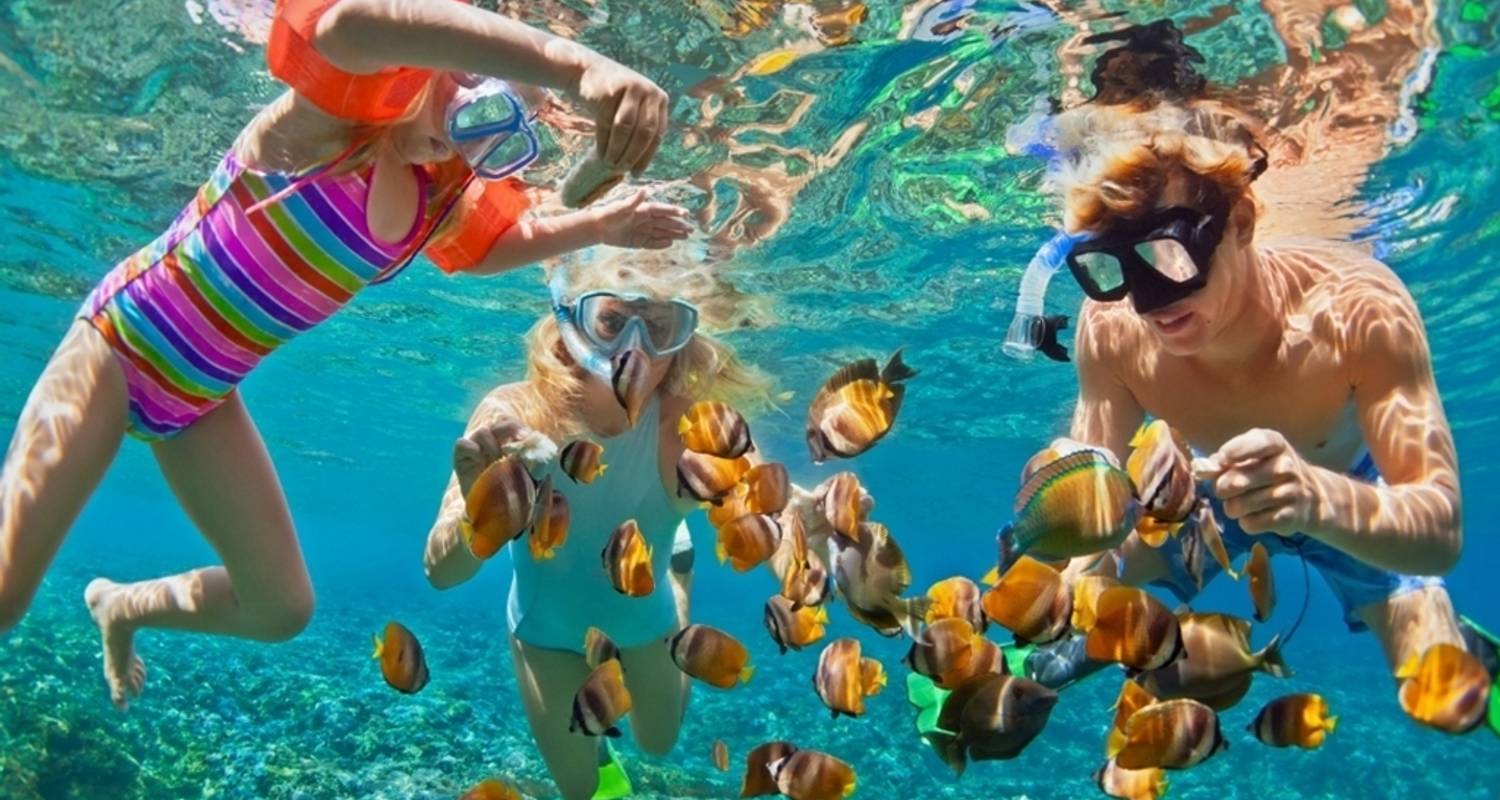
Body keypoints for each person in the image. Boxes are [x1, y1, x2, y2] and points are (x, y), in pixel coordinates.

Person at [0, 0, 693, 710]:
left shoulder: (434, 198)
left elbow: (492, 250)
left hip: (202, 399)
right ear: (435, 65)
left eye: (493, 143)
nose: (462, 147)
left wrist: (599, 223)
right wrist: (579, 65)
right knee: (6, 593)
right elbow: (348, 26)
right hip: (121, 344)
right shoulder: (330, 123)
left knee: (280, 608)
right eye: (471, 110)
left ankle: (121, 606)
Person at [1002, 21, 1497, 710]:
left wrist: (1317, 500)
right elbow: (1094, 500)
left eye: (1170, 257)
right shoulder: (1111, 328)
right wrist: (1060, 584)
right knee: (1118, 568)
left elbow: (1439, 529)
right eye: (1109, 269)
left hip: (1350, 491)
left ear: (1238, 223)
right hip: (1201, 493)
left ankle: (1454, 644)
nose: (1149, 303)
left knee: (1441, 694)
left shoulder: (1358, 308)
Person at [423, 246, 825, 799]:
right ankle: (606, 759)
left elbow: (769, 517)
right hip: (544, 632)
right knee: (582, 789)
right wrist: (480, 511)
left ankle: (678, 581)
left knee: (659, 741)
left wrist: (806, 544)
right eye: (610, 322)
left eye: (660, 327)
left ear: (683, 340)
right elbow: (440, 573)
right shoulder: (515, 413)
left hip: (646, 616)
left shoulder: (692, 422)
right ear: (568, 320)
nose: (632, 349)